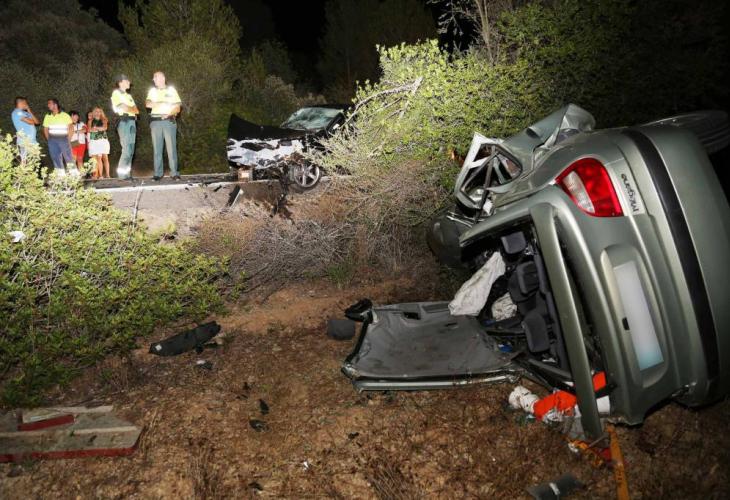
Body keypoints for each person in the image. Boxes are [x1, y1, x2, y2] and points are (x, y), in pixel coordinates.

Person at [145, 71, 181, 180]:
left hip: (169, 121)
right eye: (154, 78)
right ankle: (158, 173)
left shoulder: (171, 90)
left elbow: (178, 107)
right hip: (155, 122)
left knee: (171, 148)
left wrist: (170, 113)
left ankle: (174, 173)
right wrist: (163, 103)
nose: (154, 80)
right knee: (157, 149)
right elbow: (148, 104)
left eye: (155, 77)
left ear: (162, 78)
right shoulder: (152, 91)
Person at [111, 74, 138, 180]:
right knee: (126, 149)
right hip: (124, 122)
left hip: (132, 122)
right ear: (121, 82)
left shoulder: (128, 96)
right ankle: (122, 175)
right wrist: (131, 109)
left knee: (131, 150)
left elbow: (136, 110)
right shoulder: (116, 93)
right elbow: (123, 107)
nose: (129, 83)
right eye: (127, 81)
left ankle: (127, 174)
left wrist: (130, 108)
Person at [42, 98, 75, 174]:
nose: (48, 105)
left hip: (63, 138)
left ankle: (74, 175)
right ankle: (60, 176)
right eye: (48, 104)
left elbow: (71, 128)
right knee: (55, 157)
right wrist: (49, 140)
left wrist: (68, 139)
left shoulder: (64, 115)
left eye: (49, 103)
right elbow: (45, 129)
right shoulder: (47, 116)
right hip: (52, 140)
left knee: (68, 157)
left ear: (55, 105)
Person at [11, 96, 40, 161]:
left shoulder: (26, 113)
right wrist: (32, 120)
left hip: (32, 141)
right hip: (24, 142)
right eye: (25, 103)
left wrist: (29, 111)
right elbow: (31, 122)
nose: (27, 104)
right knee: (25, 162)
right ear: (21, 103)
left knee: (35, 162)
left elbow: (37, 122)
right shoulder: (17, 112)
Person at [87, 107, 111, 179]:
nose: (98, 113)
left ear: (101, 112)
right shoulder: (90, 121)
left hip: (103, 140)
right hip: (94, 141)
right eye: (96, 111)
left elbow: (105, 128)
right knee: (96, 159)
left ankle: (107, 175)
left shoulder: (104, 119)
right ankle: (98, 175)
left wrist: (96, 128)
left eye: (99, 111)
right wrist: (97, 129)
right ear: (94, 112)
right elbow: (89, 129)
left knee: (105, 157)